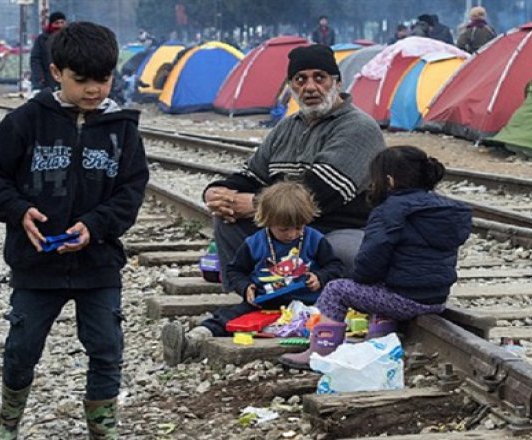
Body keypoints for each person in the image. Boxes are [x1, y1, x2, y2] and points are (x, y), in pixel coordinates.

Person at [0, 22, 149, 439]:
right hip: (36, 263)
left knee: (107, 347)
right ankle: (8, 418)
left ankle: (102, 428)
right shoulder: (26, 121)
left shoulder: (122, 128)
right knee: (22, 348)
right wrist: (18, 212)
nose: (93, 90)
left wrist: (96, 225)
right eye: (81, 80)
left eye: (102, 79)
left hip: (98, 262)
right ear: (56, 73)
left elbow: (131, 189)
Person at [161, 44, 385, 363]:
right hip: (289, 230)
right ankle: (256, 292)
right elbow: (252, 172)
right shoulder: (287, 127)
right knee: (227, 219)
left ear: (337, 81)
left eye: (319, 77)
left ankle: (305, 300)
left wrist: (253, 204)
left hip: (339, 226)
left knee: (340, 255)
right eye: (300, 79)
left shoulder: (357, 127)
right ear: (290, 86)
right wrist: (217, 192)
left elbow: (319, 194)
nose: (309, 87)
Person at [280, 146, 473, 368]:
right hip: (436, 298)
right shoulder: (446, 210)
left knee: (337, 290)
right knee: (384, 285)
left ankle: (321, 351)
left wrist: (358, 278)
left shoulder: (389, 210)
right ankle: (379, 339)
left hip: (404, 299)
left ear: (389, 181)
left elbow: (371, 260)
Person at [162, 182, 346, 365]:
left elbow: (335, 266)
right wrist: (245, 287)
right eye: (284, 229)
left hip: (308, 304)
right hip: (264, 302)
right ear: (268, 221)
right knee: (227, 316)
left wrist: (320, 277)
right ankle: (192, 340)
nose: (292, 234)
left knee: (332, 318)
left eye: (299, 227)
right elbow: (235, 270)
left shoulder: (314, 239)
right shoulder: (255, 243)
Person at [30, 11, 67, 91]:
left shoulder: (70, 39)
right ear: (51, 24)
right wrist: (39, 77)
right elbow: (35, 59)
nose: (60, 26)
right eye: (57, 23)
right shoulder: (42, 39)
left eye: (62, 22)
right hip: (47, 79)